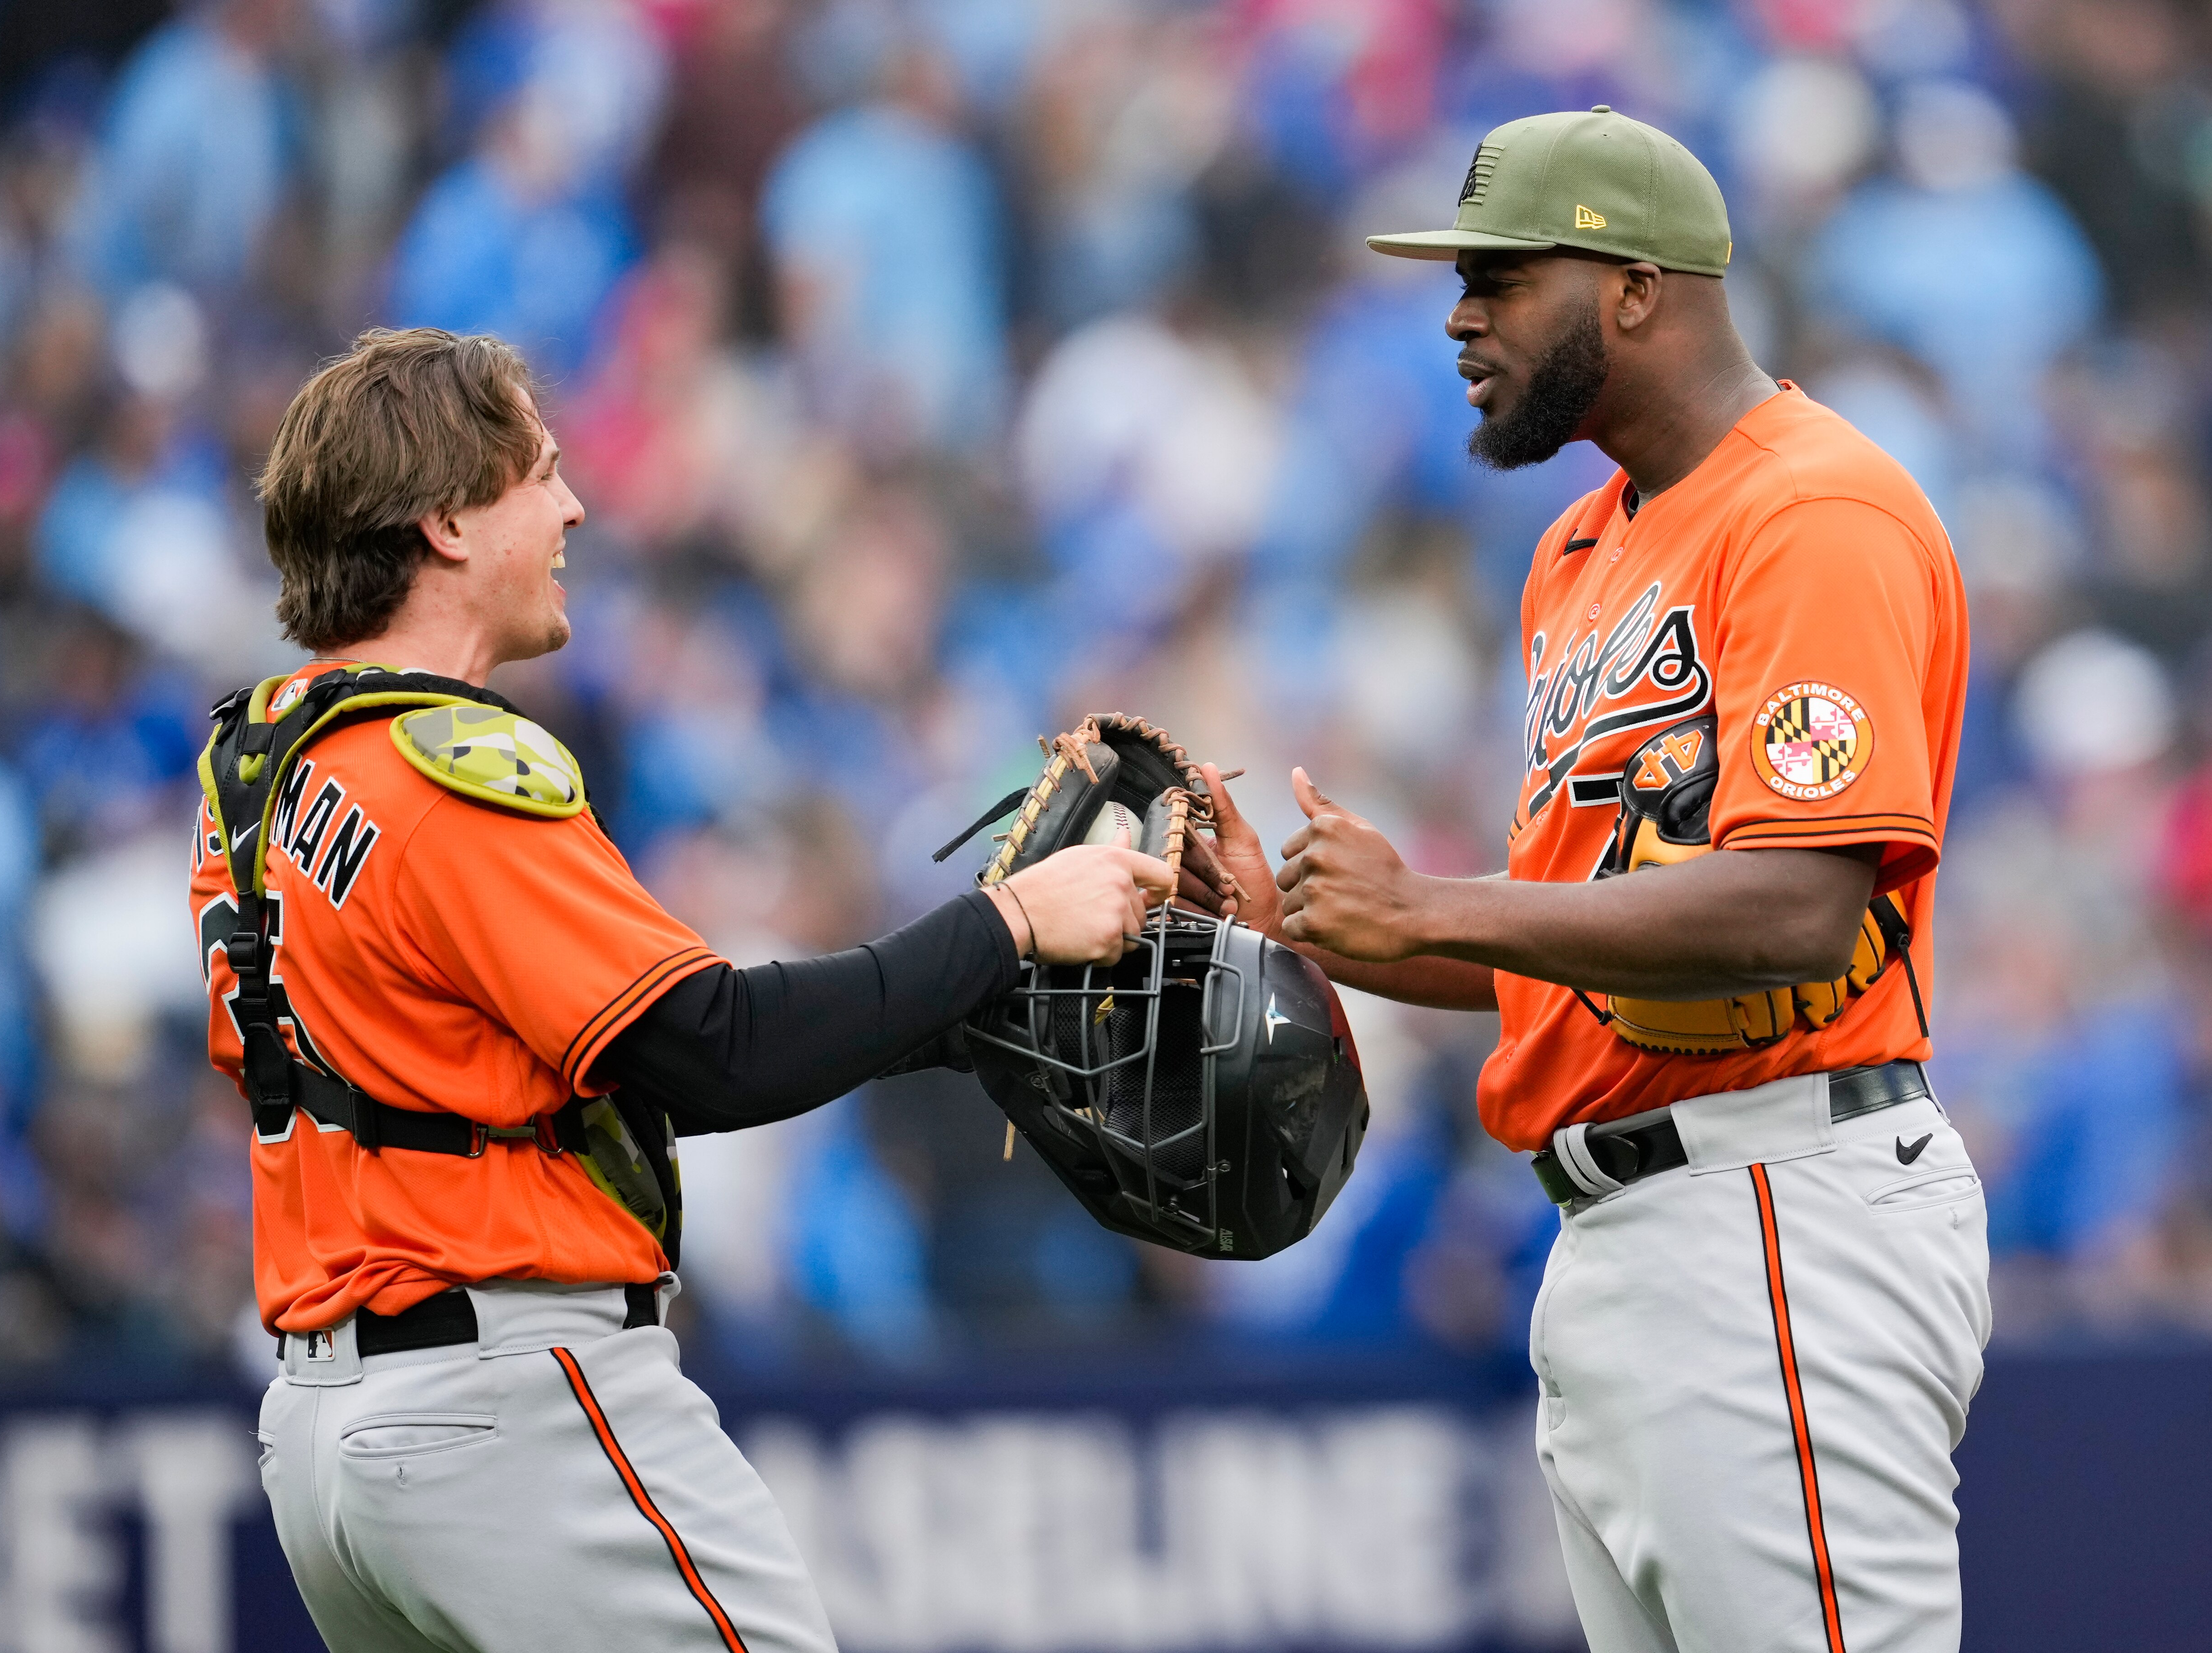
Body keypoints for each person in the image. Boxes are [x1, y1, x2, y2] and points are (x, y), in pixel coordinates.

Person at [190, 327, 1173, 1653]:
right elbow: (713, 1053)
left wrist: (967, 1004)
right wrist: (1002, 926)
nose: (576, 505)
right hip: (511, 1399)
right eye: (539, 474)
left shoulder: (266, 766)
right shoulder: (445, 767)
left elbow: (576, 1060)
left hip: (327, 1428)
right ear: (446, 524)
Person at [1201, 109, 1987, 1653]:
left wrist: (1429, 899)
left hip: (1777, 1212)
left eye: (1504, 275)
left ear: (1635, 287)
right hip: (1625, 1238)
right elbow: (1562, 945)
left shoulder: (1811, 512)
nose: (1460, 315)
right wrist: (1299, 915)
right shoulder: (1579, 548)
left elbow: (1801, 904)